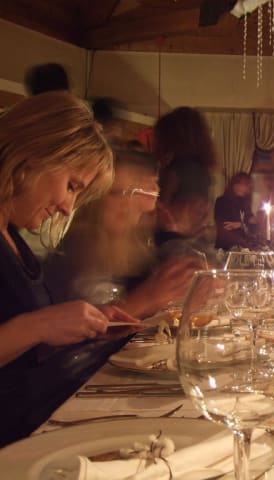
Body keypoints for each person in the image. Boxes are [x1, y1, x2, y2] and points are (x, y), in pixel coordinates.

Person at [0, 91, 139, 446]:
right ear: (33, 155)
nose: (67, 207)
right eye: (72, 186)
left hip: (35, 425)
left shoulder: (12, 237)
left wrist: (82, 325)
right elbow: (27, 329)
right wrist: (39, 324)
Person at [44, 148, 198, 318]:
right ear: (91, 199)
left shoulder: (133, 247)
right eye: (116, 193)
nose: (128, 204)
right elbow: (82, 326)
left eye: (132, 193)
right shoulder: (76, 252)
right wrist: (147, 299)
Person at [153, 107, 216, 252]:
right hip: (197, 245)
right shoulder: (204, 171)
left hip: (171, 245)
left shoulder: (175, 170)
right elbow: (206, 214)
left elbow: (161, 211)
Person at [214, 172, 258, 250]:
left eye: (245, 185)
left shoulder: (245, 204)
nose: (241, 187)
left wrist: (241, 225)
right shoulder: (222, 201)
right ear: (233, 185)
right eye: (239, 183)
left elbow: (254, 226)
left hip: (244, 248)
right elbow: (225, 227)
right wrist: (244, 225)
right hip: (226, 247)